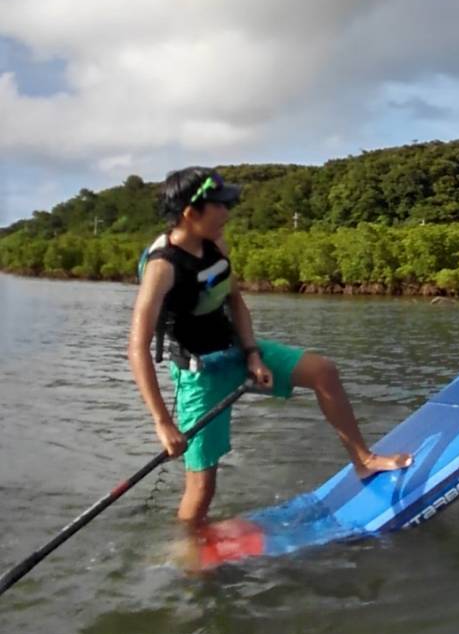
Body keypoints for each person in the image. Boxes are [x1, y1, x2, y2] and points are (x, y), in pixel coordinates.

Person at [128, 167, 411, 525]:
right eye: (220, 205)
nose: (228, 213)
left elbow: (236, 303)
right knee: (202, 488)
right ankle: (187, 548)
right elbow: (137, 348)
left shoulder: (216, 246)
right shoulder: (162, 267)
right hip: (200, 376)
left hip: (236, 352)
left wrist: (252, 354)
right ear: (190, 213)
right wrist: (163, 423)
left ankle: (363, 460)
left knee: (323, 371)